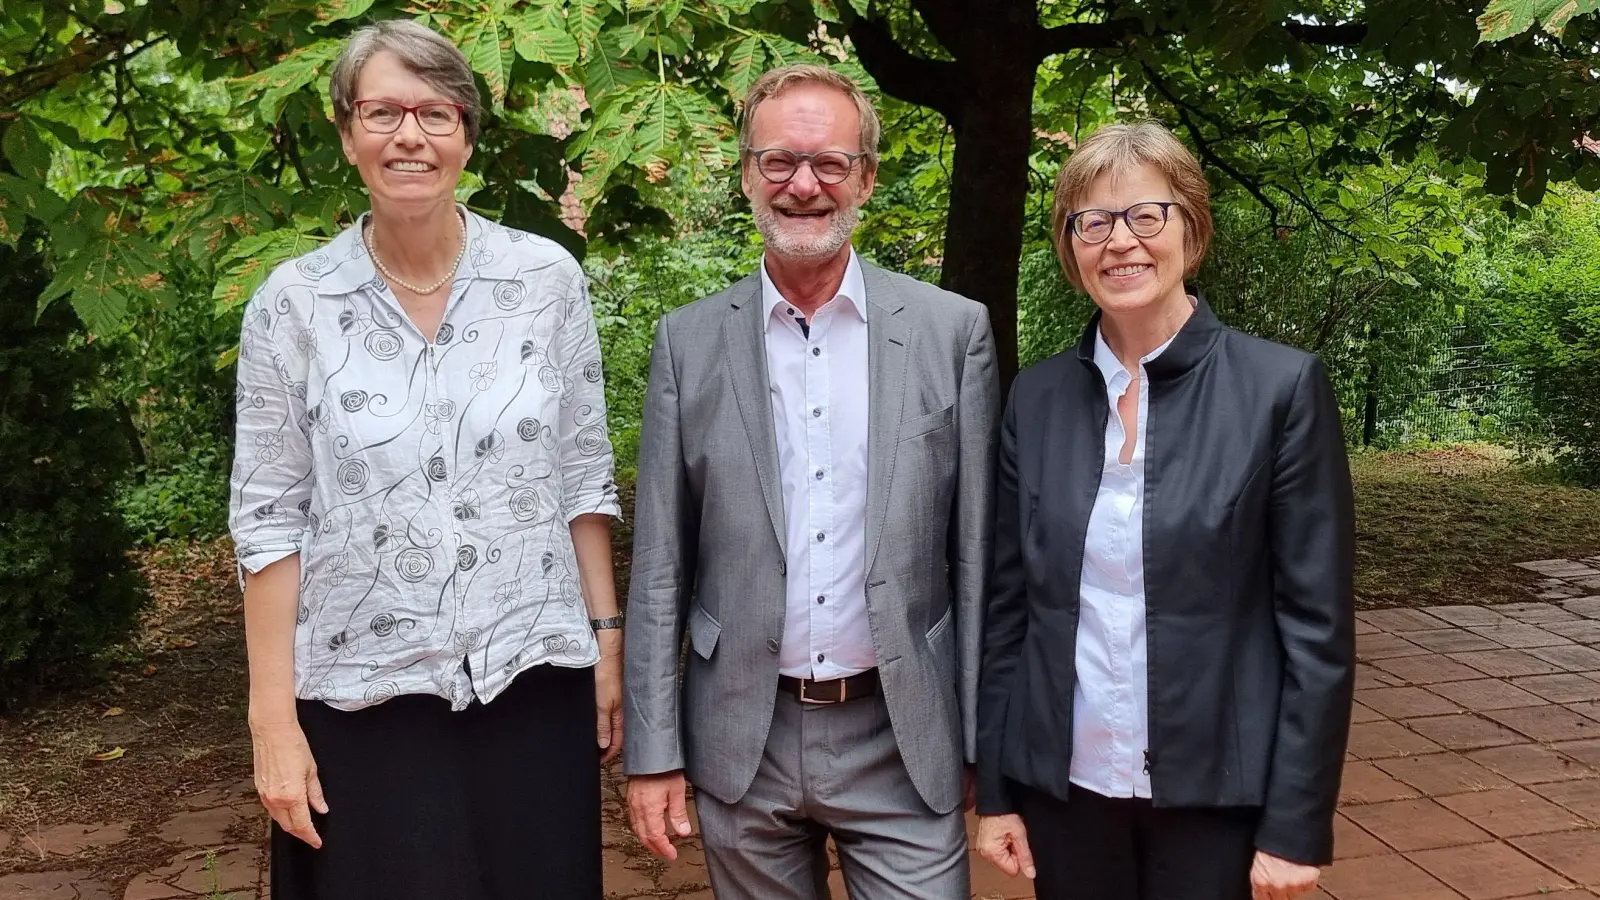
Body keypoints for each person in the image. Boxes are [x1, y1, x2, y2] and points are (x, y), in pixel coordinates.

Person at [228, 19, 621, 900]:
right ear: (345, 132)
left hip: (535, 680)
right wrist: (271, 721)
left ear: (467, 134)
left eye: (436, 112)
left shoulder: (546, 280)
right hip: (362, 703)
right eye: (382, 111)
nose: (410, 135)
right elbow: (266, 523)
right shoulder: (292, 305)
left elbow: (582, 474)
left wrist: (607, 648)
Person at [622, 64, 999, 900]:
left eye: (829, 163)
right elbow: (657, 565)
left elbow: (976, 556)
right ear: (748, 173)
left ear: (865, 175)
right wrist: (654, 753)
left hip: (902, 734)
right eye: (778, 162)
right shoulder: (686, 343)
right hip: (740, 737)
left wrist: (981, 742)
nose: (804, 185)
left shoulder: (952, 332)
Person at [973, 120, 1355, 900]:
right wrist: (999, 792)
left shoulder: (1279, 390)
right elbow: (1010, 610)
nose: (1121, 241)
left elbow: (1317, 633)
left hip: (1217, 791)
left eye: (1147, 214)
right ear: (1069, 244)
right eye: (1094, 221)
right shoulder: (1037, 398)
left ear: (1192, 228)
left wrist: (1295, 825)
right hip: (1065, 788)